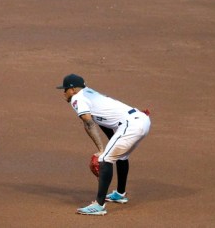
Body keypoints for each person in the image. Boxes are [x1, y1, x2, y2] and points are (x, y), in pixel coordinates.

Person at [57, 73, 151, 216]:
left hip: (131, 124)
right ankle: (120, 194)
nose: (64, 93)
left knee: (105, 159)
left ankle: (99, 205)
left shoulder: (77, 98)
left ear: (73, 89)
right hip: (141, 121)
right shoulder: (90, 94)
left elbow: (88, 123)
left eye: (65, 89)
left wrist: (102, 151)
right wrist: (106, 148)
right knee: (120, 156)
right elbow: (106, 125)